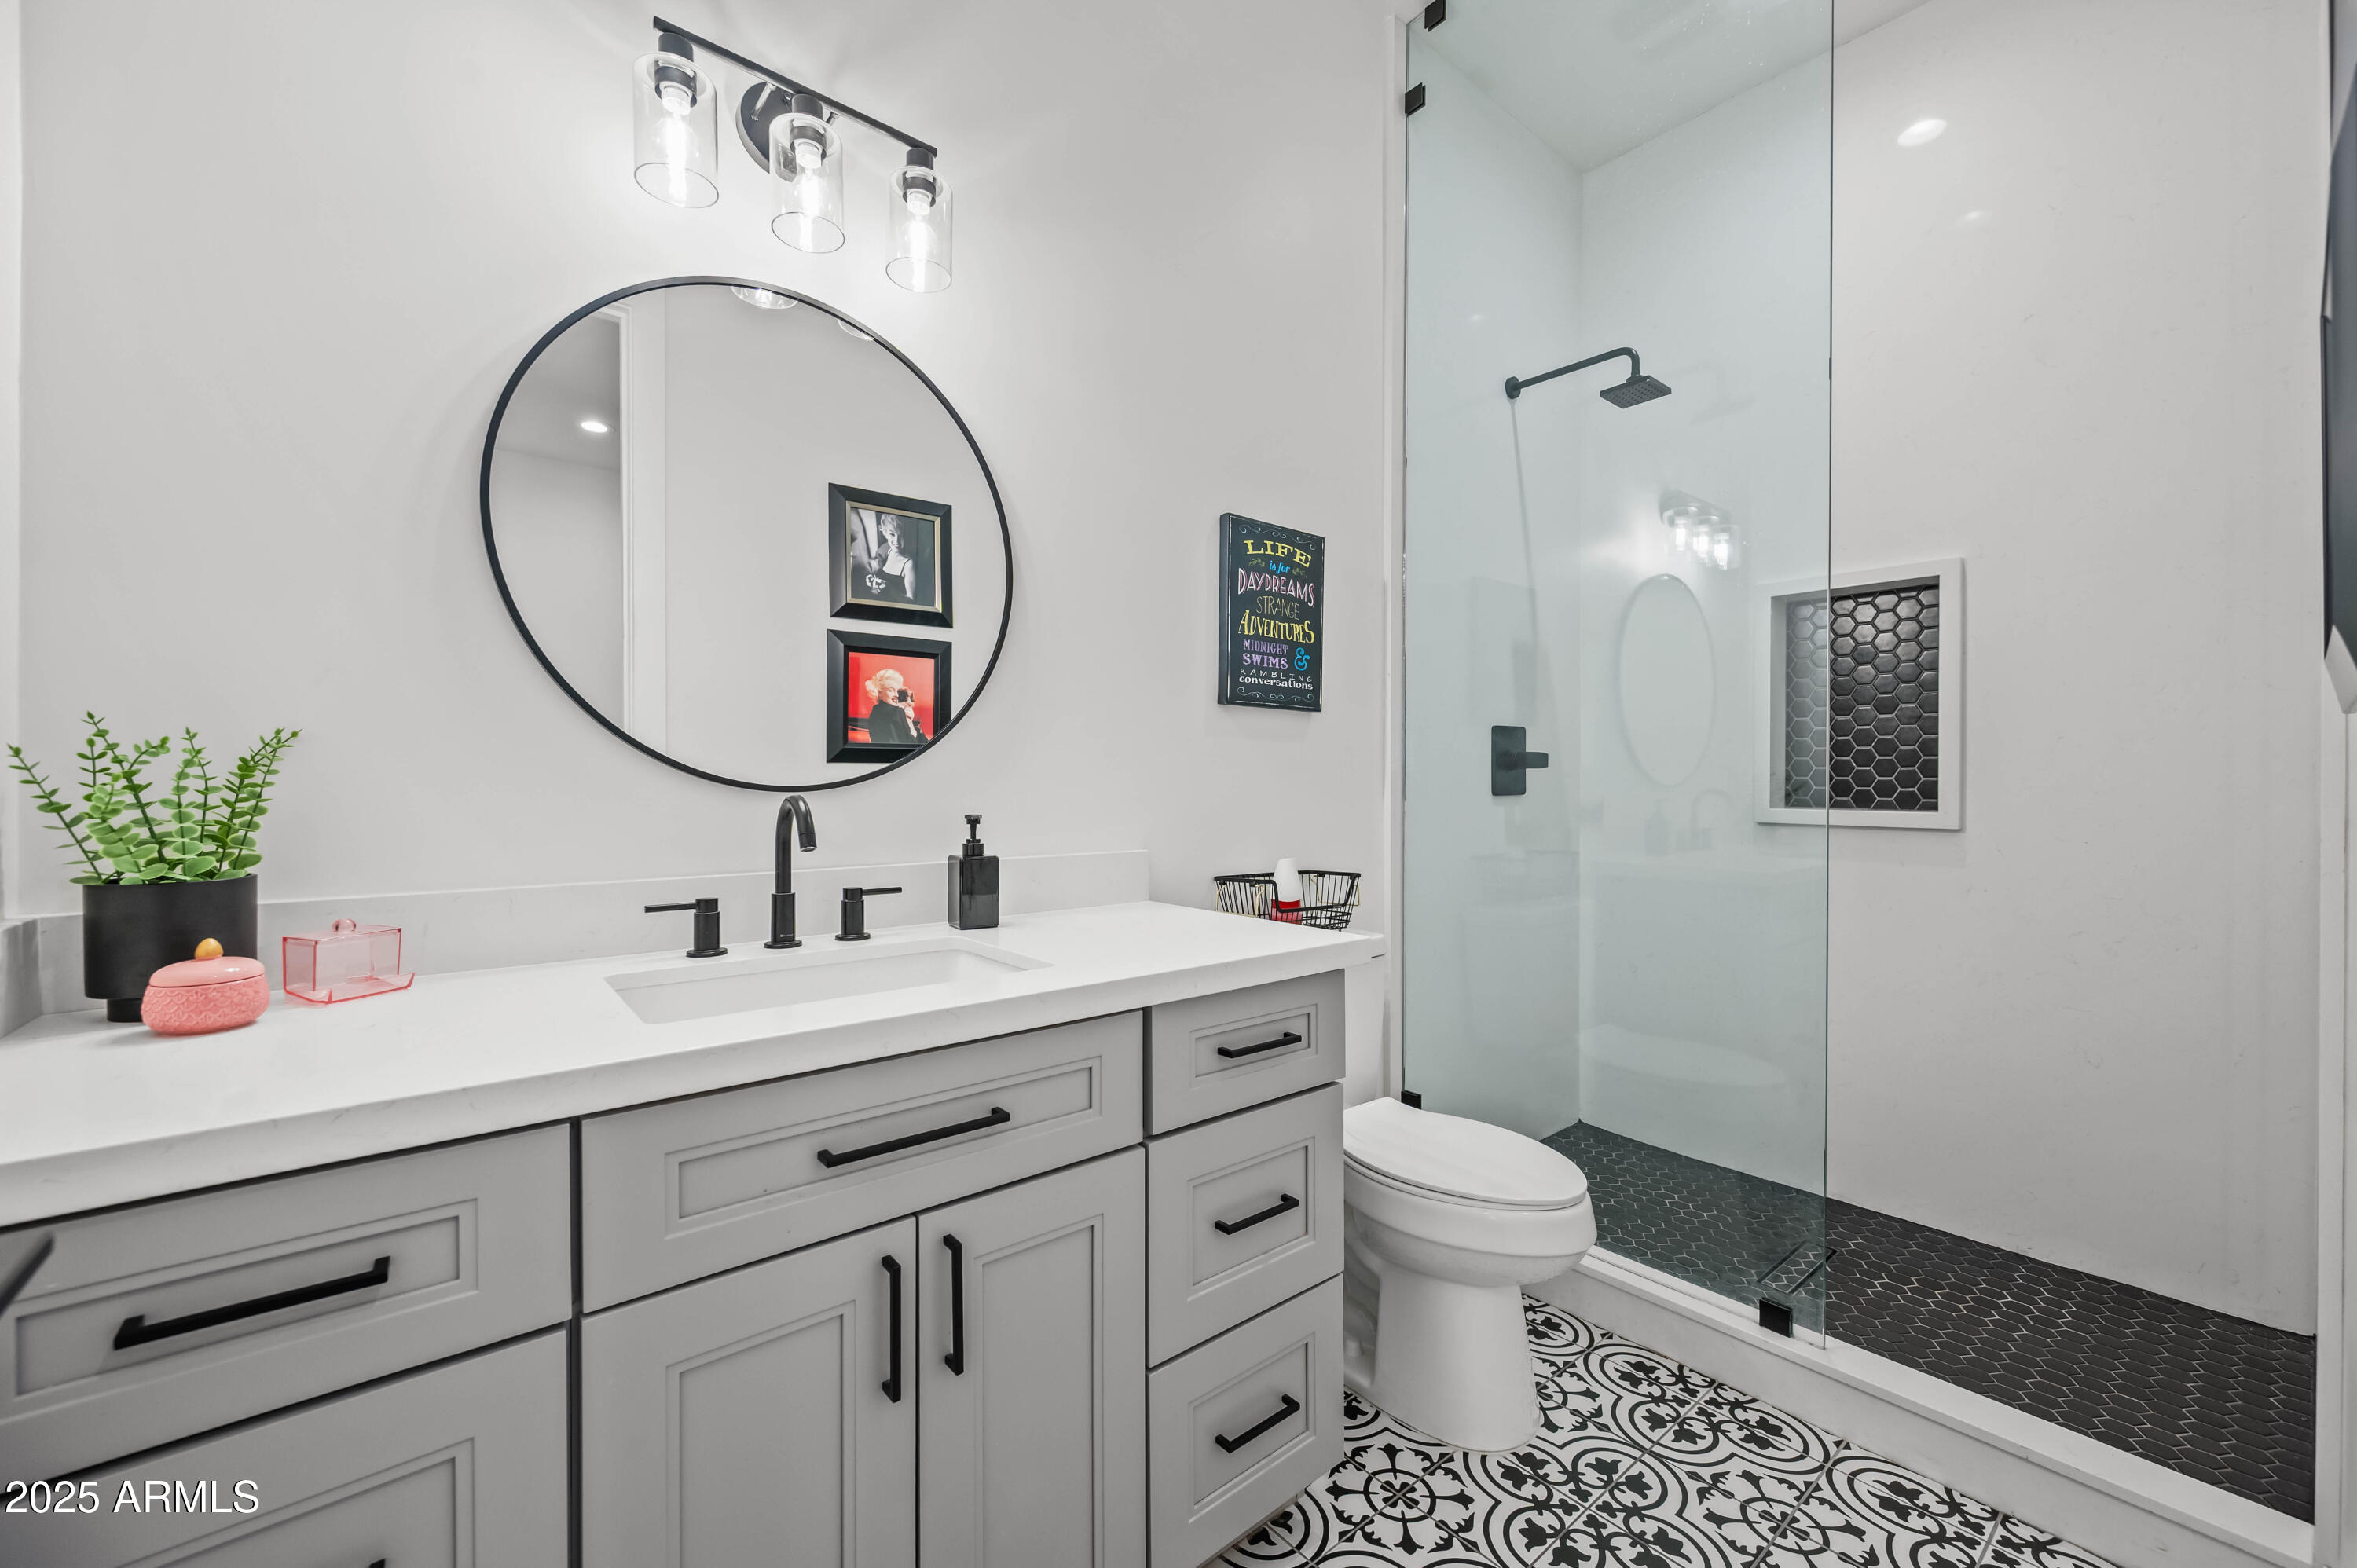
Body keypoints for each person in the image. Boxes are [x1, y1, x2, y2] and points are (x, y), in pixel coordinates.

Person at [860, 667, 922, 746]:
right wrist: (910, 723)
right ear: (880, 693)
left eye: (898, 690)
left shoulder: (874, 712)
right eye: (891, 690)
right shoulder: (897, 712)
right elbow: (911, 745)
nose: (896, 695)